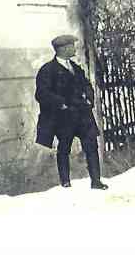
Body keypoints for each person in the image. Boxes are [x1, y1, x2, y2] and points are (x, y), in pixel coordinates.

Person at [35, 34, 108, 190]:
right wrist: (61, 104)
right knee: (64, 148)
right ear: (63, 49)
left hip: (83, 115)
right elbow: (41, 93)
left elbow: (87, 86)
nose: (74, 48)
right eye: (72, 46)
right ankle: (65, 182)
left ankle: (96, 181)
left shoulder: (76, 68)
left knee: (91, 145)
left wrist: (89, 98)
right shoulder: (48, 70)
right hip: (64, 117)